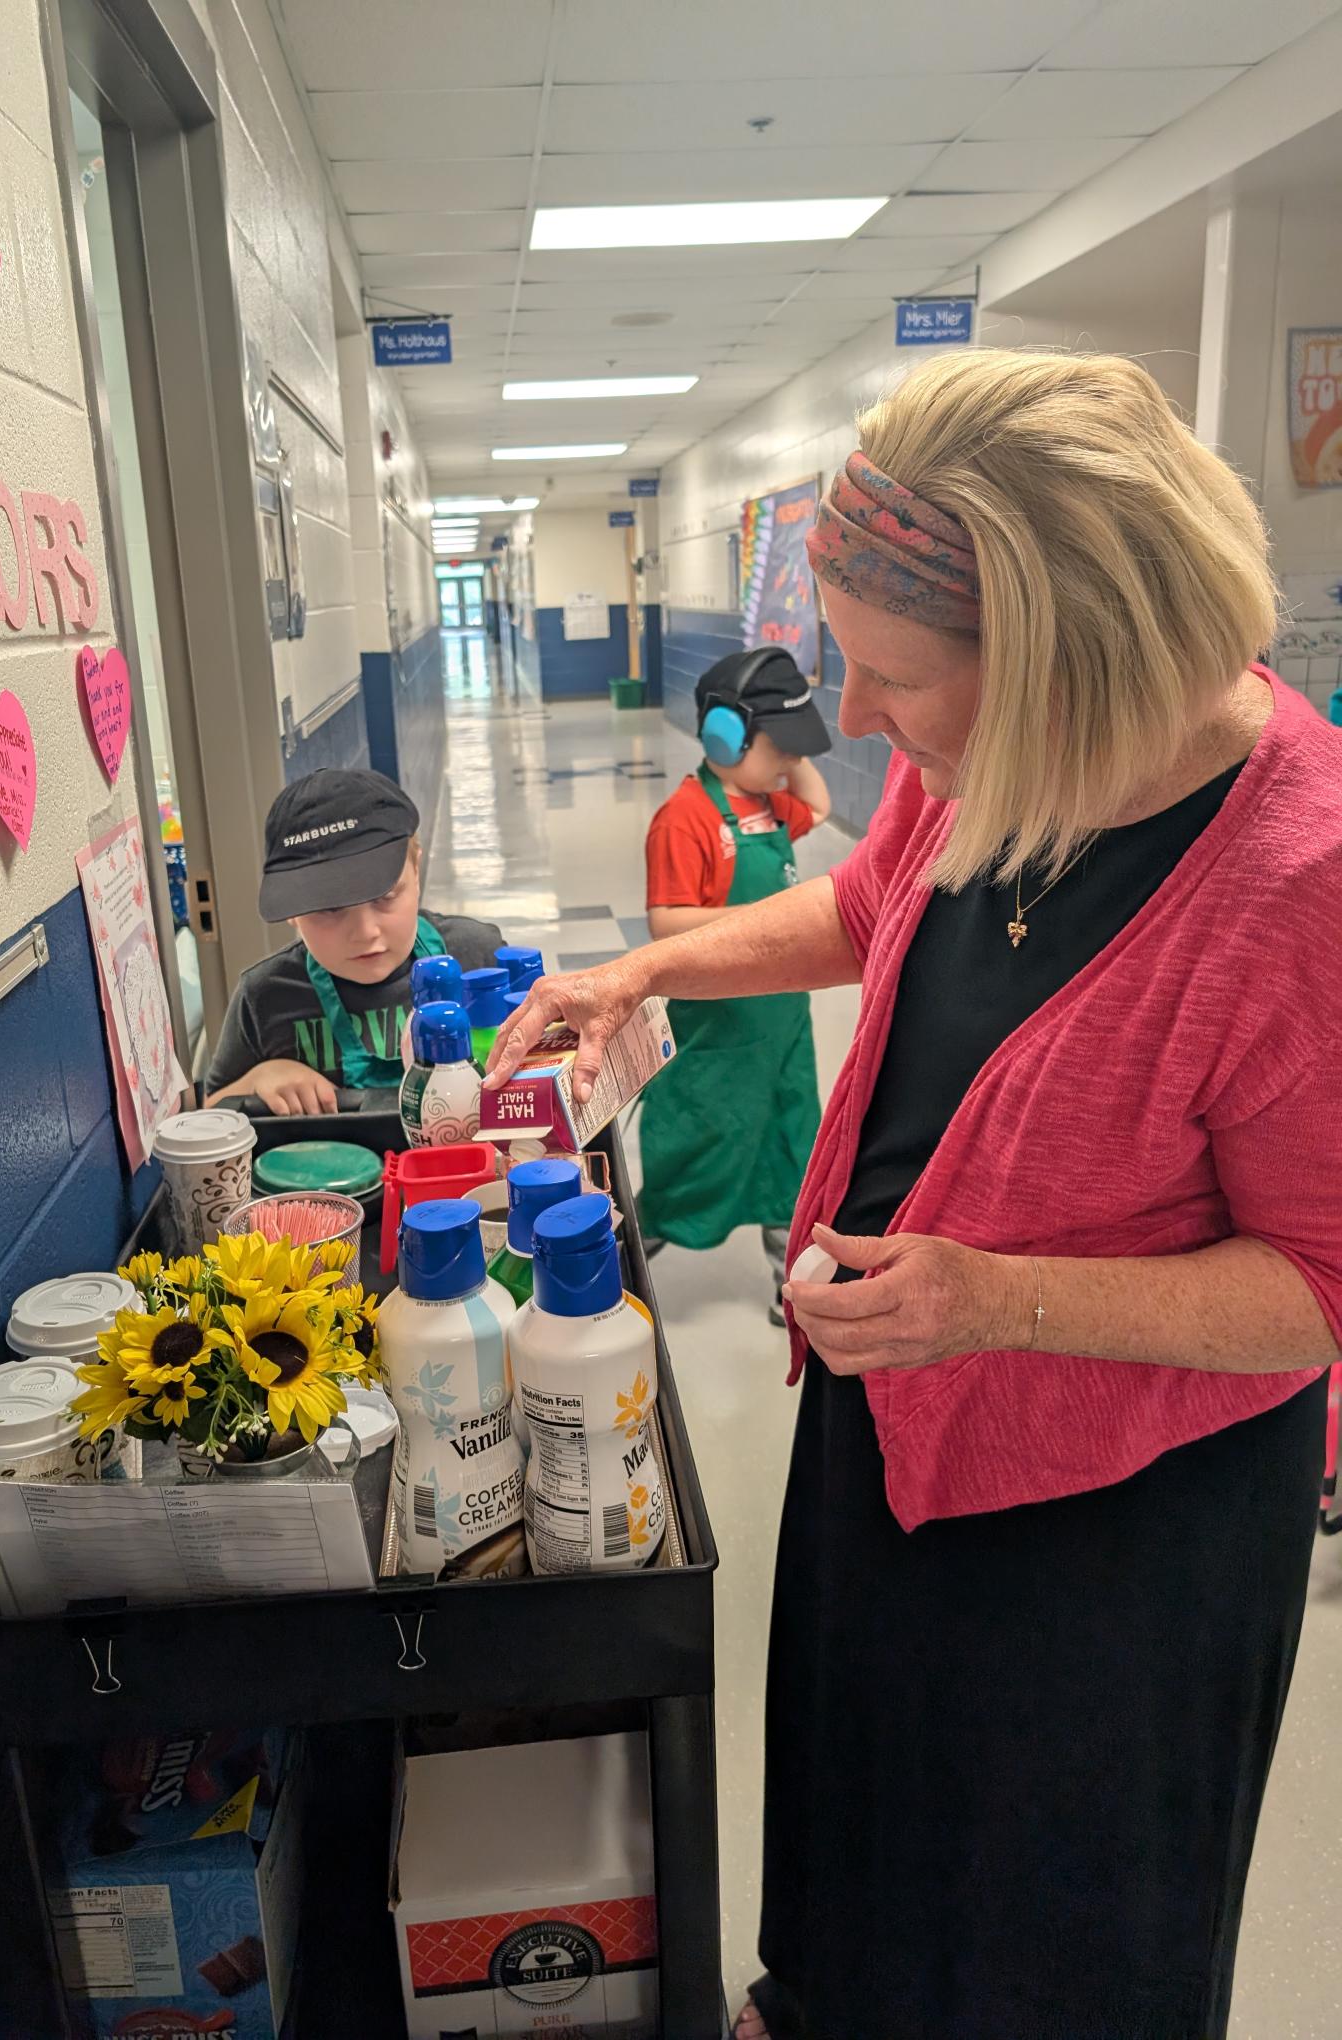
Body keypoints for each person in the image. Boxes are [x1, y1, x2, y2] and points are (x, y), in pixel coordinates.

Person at [485, 349, 1342, 2040]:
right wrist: (645, 968)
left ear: (1072, 661)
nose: (857, 719)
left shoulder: (1295, 885)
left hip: (1115, 1521)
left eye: (894, 676)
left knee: (1049, 1912)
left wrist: (1002, 1300)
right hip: (900, 1404)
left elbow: (1319, 1284)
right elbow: (866, 909)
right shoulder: (1001, 763)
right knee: (871, 1794)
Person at [639, 648, 832, 1321]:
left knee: (791, 1142)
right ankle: (632, 1248)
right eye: (780, 746)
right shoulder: (685, 818)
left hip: (782, 1021)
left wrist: (789, 745)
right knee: (698, 1144)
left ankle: (790, 1277)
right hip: (718, 1029)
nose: (792, 760)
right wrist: (765, 919)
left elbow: (820, 803)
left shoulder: (772, 803)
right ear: (725, 736)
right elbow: (666, 923)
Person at [206, 768, 502, 1113]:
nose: (365, 932)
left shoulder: (479, 959)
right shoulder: (263, 996)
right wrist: (260, 1077)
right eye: (329, 909)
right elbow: (211, 1110)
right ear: (292, 910)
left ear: (416, 871)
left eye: (385, 896)